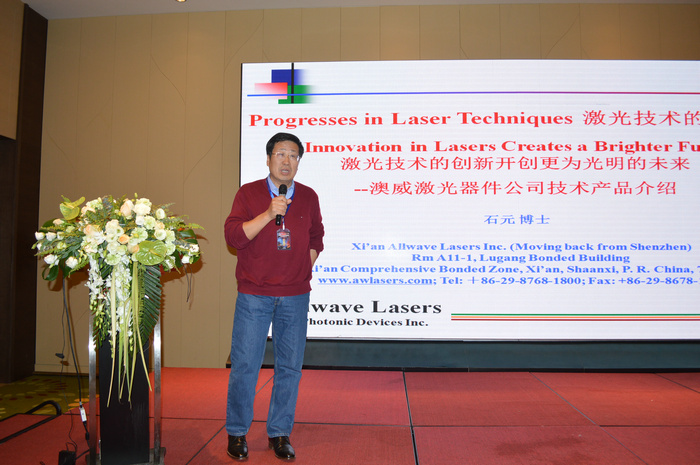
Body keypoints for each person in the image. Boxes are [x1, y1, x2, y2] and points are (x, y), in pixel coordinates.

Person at [224, 132, 324, 461]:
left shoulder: (308, 196)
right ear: (268, 159)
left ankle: (279, 432)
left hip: (295, 296)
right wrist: (268, 214)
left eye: (293, 155)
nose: (286, 161)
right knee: (245, 366)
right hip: (255, 294)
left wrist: (302, 267)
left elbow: (316, 237)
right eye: (280, 154)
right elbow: (234, 236)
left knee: (289, 368)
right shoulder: (249, 193)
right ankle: (237, 432)